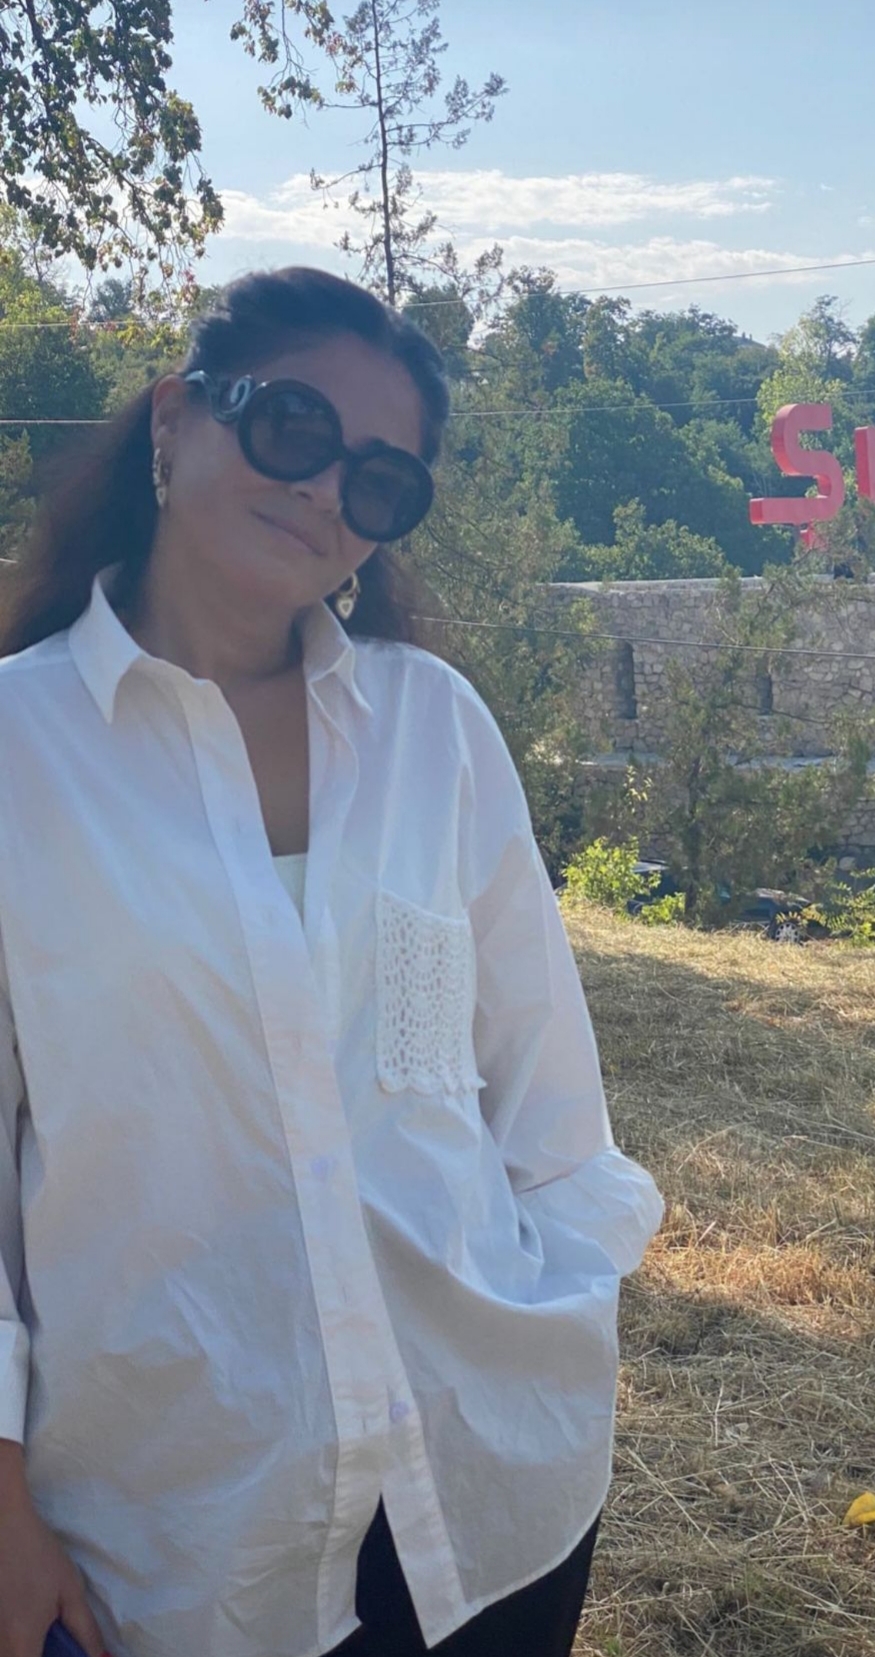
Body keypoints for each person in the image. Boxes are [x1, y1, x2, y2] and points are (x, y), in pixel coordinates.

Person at [0, 269, 664, 1657]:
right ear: (175, 417)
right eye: (294, 425)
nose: (323, 491)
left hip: (490, 1490)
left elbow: (543, 1092)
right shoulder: (17, 756)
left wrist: (570, 1317)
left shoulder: (435, 730)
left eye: (379, 480)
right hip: (178, 1545)